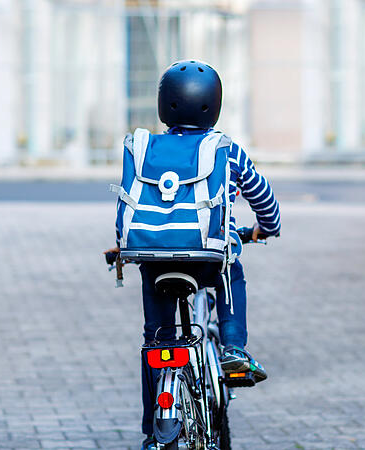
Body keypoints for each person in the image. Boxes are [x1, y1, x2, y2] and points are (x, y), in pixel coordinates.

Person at [108, 60, 281, 449]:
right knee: (230, 272)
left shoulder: (143, 147)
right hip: (206, 258)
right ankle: (235, 350)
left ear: (164, 104)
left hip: (152, 259)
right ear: (213, 104)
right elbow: (261, 195)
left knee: (156, 342)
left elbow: (133, 200)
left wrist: (123, 245)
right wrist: (267, 227)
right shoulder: (225, 149)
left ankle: (154, 433)